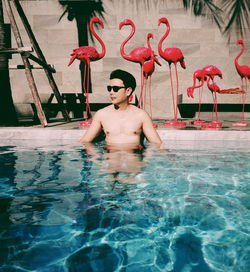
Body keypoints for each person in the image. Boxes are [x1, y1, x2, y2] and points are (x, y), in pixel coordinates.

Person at [80, 69, 162, 148]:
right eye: (109, 88)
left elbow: (156, 144)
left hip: (133, 160)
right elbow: (85, 141)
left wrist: (147, 160)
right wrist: (96, 158)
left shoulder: (141, 115)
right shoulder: (102, 114)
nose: (111, 92)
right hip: (111, 160)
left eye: (115, 89)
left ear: (128, 91)